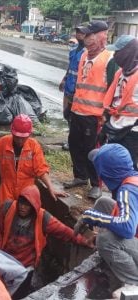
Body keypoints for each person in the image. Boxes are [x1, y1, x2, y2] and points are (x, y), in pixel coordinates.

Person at [0, 184, 94, 291]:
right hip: (5, 259)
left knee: (20, 292)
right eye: (21, 203)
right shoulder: (7, 208)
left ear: (33, 206)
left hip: (25, 266)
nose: (22, 207)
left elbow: (64, 231)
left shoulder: (43, 218)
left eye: (27, 205)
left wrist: (84, 241)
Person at [74, 143, 138, 299]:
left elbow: (127, 228)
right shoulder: (132, 178)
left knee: (105, 240)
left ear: (107, 174)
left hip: (133, 233)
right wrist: (90, 217)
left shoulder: (126, 191)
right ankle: (109, 251)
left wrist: (95, 217)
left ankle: (133, 283)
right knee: (102, 202)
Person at [63, 21, 119, 200]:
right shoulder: (84, 55)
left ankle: (96, 184)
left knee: (92, 150)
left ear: (101, 36)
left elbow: (113, 88)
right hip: (78, 110)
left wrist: (106, 114)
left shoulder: (109, 59)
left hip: (95, 116)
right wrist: (70, 105)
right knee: (74, 144)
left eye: (89, 35)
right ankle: (80, 176)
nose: (85, 39)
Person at [0, 114, 67, 205]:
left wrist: (51, 188)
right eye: (17, 136)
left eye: (23, 137)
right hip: (7, 189)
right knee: (6, 218)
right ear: (12, 132)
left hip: (27, 190)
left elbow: (41, 170)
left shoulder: (34, 146)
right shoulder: (3, 142)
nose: (20, 140)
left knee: (27, 221)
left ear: (29, 135)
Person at [99, 35, 138, 170]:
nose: (115, 55)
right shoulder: (121, 73)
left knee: (127, 168)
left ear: (129, 52)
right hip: (116, 126)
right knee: (114, 165)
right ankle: (118, 191)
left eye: (118, 52)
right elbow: (115, 99)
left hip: (133, 131)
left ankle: (128, 191)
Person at [59, 27, 86, 151]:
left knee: (74, 118)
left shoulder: (87, 53)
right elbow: (70, 67)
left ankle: (73, 141)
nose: (79, 34)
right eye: (78, 32)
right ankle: (73, 139)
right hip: (69, 88)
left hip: (78, 91)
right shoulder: (74, 50)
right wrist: (64, 79)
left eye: (82, 32)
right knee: (67, 114)